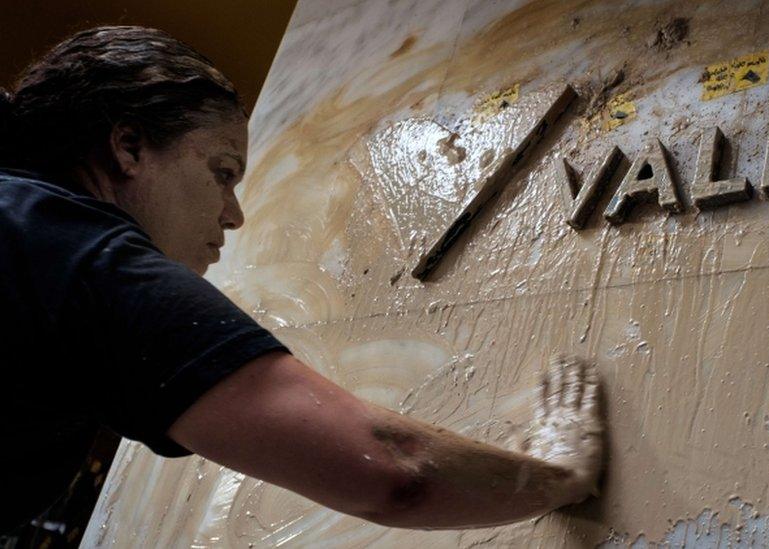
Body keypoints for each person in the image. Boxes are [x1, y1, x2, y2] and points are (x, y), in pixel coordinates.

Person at [0, 26, 604, 534]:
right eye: (222, 172)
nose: (233, 215)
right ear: (128, 145)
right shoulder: (91, 262)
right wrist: (560, 474)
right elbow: (395, 470)